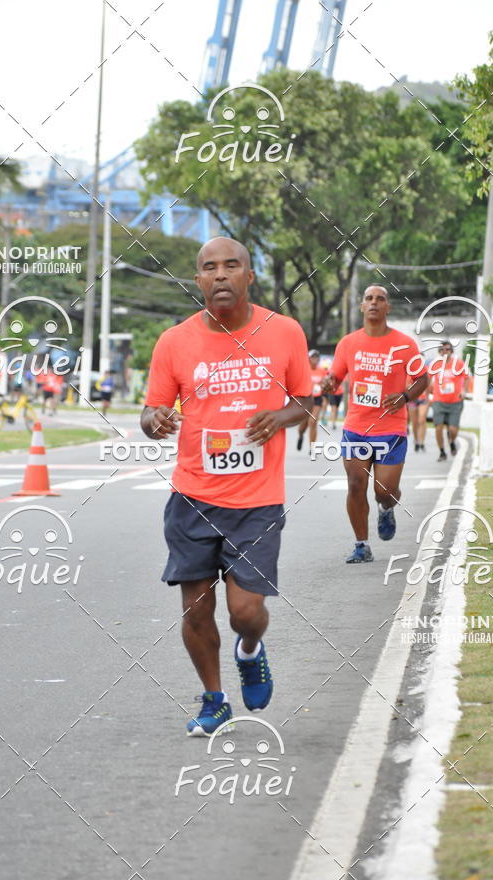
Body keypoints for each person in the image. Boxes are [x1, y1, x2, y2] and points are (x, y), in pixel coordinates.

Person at [141, 236, 312, 737]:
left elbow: (304, 400)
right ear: (197, 281)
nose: (220, 275)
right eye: (209, 268)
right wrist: (155, 421)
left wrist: (278, 417)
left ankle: (251, 650)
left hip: (257, 501)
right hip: (192, 496)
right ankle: (214, 700)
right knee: (196, 608)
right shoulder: (174, 342)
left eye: (231, 265)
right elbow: (152, 409)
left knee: (246, 612)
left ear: (248, 276)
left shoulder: (284, 332)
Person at [322, 285, 429, 563]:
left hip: (391, 429)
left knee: (384, 491)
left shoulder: (405, 344)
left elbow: (422, 379)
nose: (374, 303)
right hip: (356, 427)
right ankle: (361, 545)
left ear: (387, 307)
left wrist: (405, 396)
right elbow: (335, 375)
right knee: (356, 485)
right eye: (368, 298)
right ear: (361, 306)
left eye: (380, 299)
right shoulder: (347, 343)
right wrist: (329, 382)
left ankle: (386, 508)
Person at [429, 340, 468, 461]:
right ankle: (442, 452)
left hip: (455, 401)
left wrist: (463, 390)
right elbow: (426, 379)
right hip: (439, 401)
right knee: (438, 427)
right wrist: (430, 392)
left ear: (451, 351)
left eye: (447, 349)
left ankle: (452, 442)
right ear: (439, 352)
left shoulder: (459, 363)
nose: (445, 352)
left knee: (452, 429)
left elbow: (466, 377)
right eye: (442, 350)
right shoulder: (435, 364)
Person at [296, 349, 327, 452]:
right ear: (308, 359)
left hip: (317, 399)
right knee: (303, 424)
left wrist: (323, 388)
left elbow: (325, 385)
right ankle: (300, 435)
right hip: (306, 398)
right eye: (313, 357)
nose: (315, 359)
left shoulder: (322, 371)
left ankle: (312, 447)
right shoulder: (304, 370)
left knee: (313, 421)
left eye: (317, 357)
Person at [407, 376, 430, 452]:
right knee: (414, 423)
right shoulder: (409, 374)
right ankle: (416, 440)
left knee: (422, 420)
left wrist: (428, 396)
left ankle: (422, 442)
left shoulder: (425, 372)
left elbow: (429, 385)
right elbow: (405, 387)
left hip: (423, 399)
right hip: (412, 399)